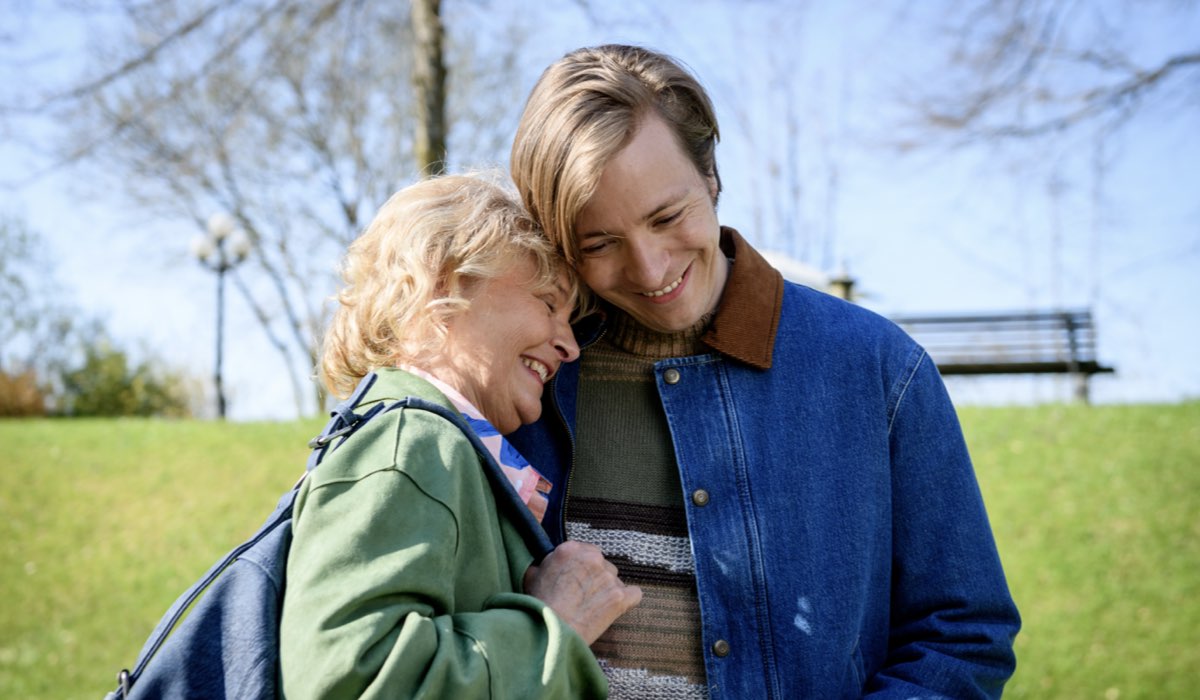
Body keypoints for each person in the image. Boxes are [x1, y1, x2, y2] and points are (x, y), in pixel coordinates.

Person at [507, 44, 1021, 699]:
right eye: (599, 244)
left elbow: (962, 635)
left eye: (668, 217)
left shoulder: (880, 371)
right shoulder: (525, 385)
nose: (650, 269)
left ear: (712, 175)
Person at [279, 174, 642, 699]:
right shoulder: (411, 442)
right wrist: (553, 625)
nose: (570, 346)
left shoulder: (439, 448)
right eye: (547, 302)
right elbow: (352, 681)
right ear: (445, 284)